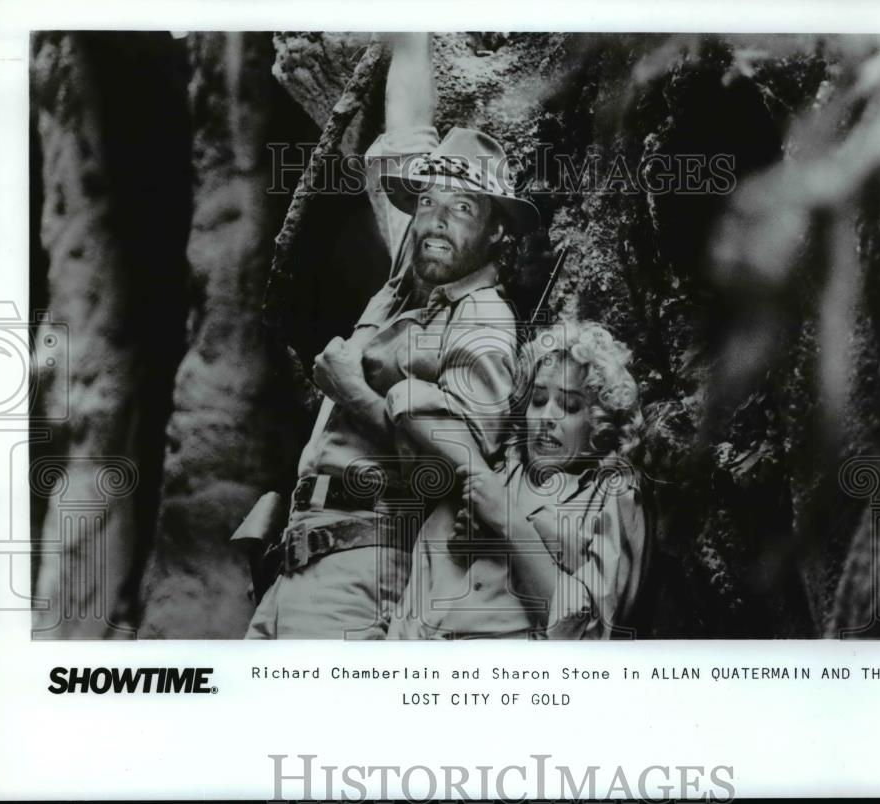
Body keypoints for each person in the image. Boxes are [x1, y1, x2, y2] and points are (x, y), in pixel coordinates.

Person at [244, 33, 539, 639]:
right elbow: (407, 130)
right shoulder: (414, 275)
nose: (434, 219)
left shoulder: (483, 320)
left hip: (366, 569)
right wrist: (411, 24)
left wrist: (354, 392)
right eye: (428, 202)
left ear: (496, 234)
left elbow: (458, 475)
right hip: (293, 566)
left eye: (462, 208)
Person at [388, 320, 648, 640]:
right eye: (537, 400)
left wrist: (509, 523)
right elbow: (405, 397)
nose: (546, 416)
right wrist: (481, 478)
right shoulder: (498, 470)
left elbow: (582, 635)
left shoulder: (611, 497)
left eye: (569, 405)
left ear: (601, 424)